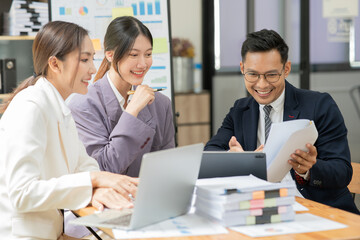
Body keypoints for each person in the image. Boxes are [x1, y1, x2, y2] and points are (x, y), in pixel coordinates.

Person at [0, 21, 139, 240]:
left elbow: (83, 165)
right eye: (84, 60)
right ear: (55, 64)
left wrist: (99, 187)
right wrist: (95, 180)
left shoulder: (59, 108)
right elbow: (22, 193)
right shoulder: (30, 107)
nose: (93, 69)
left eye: (92, 58)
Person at [205, 29, 359, 214]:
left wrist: (309, 169)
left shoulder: (319, 105)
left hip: (316, 210)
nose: (261, 85)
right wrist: (235, 159)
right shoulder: (240, 110)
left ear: (286, 69)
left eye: (271, 75)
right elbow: (210, 153)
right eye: (253, 74)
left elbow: (342, 171)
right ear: (242, 68)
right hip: (262, 208)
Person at [68, 16, 175, 177]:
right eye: (133, 55)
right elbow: (102, 169)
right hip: (107, 200)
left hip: (149, 197)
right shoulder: (83, 104)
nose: (143, 64)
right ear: (110, 55)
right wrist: (131, 112)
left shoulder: (160, 104)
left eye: (148, 54)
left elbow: (168, 168)